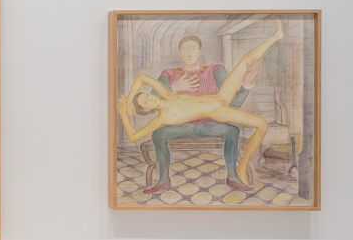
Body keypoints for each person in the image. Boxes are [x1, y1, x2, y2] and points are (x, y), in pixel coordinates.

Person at [118, 18, 284, 187]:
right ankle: (241, 168)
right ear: (147, 109)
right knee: (262, 124)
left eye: (146, 96)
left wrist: (130, 99)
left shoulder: (166, 94)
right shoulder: (160, 119)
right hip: (218, 112)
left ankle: (275, 36)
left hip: (221, 98)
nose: (149, 98)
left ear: (200, 50)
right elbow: (133, 136)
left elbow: (141, 77)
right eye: (146, 102)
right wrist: (123, 113)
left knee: (244, 61)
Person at [143, 34, 261, 193]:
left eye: (193, 49)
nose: (189, 53)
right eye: (185, 49)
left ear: (200, 51)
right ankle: (163, 179)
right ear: (179, 52)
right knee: (158, 134)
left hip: (210, 124)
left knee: (232, 130)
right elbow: (150, 101)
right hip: (181, 125)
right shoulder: (169, 74)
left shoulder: (215, 70)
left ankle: (233, 176)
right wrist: (174, 88)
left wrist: (246, 84)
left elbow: (232, 105)